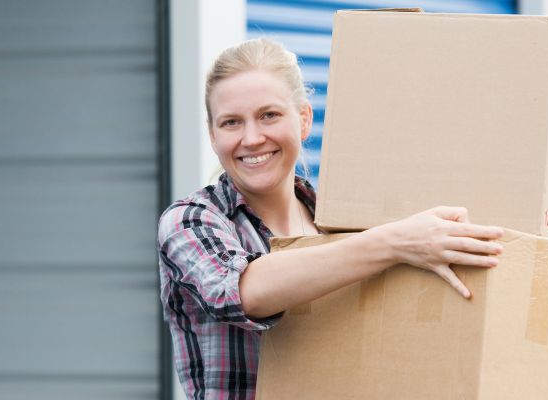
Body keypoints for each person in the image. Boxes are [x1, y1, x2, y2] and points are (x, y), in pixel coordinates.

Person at [157, 38, 504, 399]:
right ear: (213, 135)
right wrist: (397, 242)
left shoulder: (340, 225)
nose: (252, 137)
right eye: (231, 122)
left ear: (304, 119)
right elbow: (244, 292)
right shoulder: (190, 222)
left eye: (269, 115)